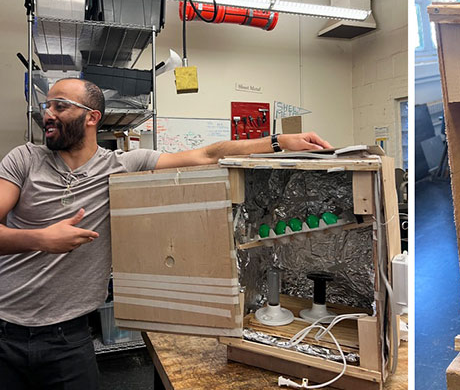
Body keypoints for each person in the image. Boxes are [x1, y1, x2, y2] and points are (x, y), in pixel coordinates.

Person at [0, 78, 332, 389]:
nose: (48, 115)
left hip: (69, 339)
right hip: (6, 332)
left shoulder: (121, 165)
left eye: (60, 106)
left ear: (92, 117)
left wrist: (278, 142)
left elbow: (207, 155)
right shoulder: (25, 160)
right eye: (47, 107)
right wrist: (42, 239)